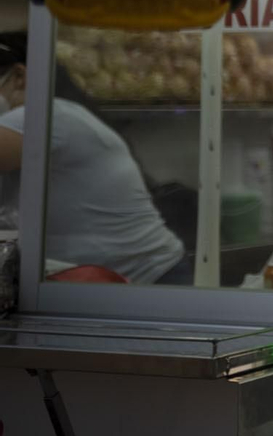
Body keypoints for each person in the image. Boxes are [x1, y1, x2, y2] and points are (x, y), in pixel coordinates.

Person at [0, 32, 189, 285]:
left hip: (146, 281)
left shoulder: (44, 115)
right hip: (107, 279)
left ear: (20, 77)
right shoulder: (62, 114)